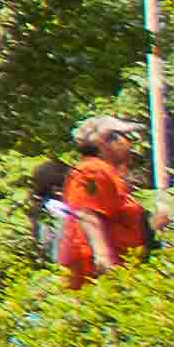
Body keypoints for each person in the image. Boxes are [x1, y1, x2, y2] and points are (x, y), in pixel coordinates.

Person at [63, 118, 155, 280]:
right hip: (98, 273)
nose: (130, 144)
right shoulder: (93, 170)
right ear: (105, 142)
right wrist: (103, 258)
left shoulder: (105, 171)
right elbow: (87, 213)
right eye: (127, 137)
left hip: (121, 267)